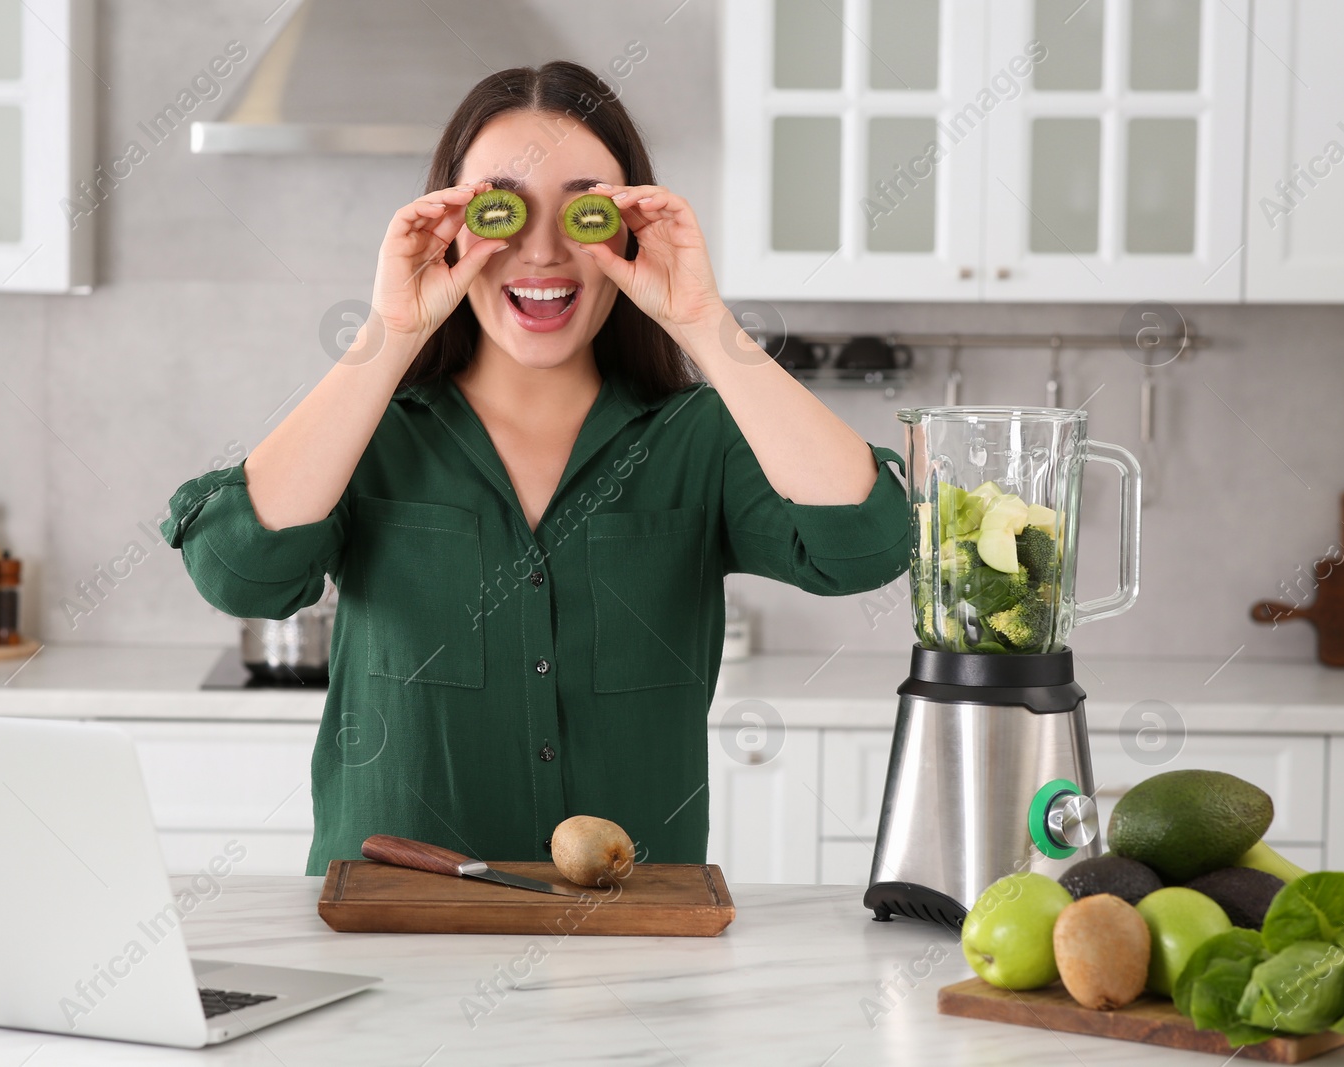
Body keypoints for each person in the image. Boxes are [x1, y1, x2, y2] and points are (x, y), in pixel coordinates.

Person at [162, 61, 909, 875]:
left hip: (629, 954)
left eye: (583, 209)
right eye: (504, 208)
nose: (544, 250)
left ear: (624, 229)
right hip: (393, 938)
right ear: (452, 226)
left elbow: (865, 545)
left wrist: (704, 322)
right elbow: (238, 573)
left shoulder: (700, 439)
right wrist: (388, 333)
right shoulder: (370, 429)